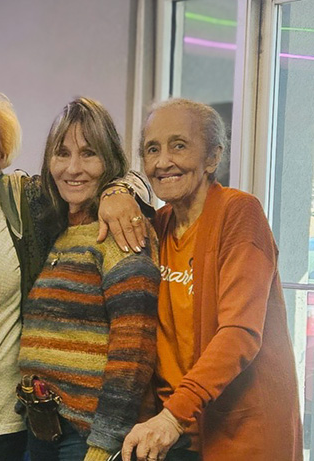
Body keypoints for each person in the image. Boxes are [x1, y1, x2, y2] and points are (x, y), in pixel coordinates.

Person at [0, 92, 154, 461]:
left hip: (10, 428)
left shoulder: (32, 202)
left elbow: (133, 344)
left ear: (3, 148)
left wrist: (119, 189)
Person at [121, 98, 303, 461]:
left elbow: (240, 332)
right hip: (174, 435)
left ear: (213, 158)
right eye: (151, 149)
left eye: (179, 145)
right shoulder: (158, 225)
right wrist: (118, 193)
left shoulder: (239, 212)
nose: (162, 162)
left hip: (236, 435)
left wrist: (173, 415)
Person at [18, 97, 160, 461]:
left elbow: (134, 349)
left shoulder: (120, 231)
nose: (73, 168)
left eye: (88, 153)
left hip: (86, 438)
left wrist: (103, 445)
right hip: (43, 429)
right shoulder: (59, 231)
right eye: (62, 154)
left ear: (109, 160)